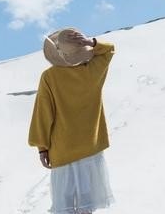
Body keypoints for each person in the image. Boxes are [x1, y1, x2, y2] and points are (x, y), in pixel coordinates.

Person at [28, 27, 116, 214]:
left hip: (62, 149)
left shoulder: (50, 77)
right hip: (90, 148)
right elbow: (109, 50)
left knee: (65, 204)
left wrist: (42, 147)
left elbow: (43, 112)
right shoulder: (93, 70)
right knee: (86, 204)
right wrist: (90, 43)